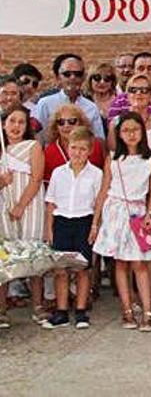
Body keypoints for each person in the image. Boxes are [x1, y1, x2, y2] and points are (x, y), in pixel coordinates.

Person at [107, 74, 151, 312]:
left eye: (145, 90)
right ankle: (132, 300)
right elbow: (115, 158)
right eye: (134, 89)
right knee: (127, 251)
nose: (139, 94)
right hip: (127, 196)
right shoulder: (117, 123)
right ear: (126, 94)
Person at [92, 112, 151, 332]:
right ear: (119, 134)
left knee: (139, 263)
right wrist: (96, 222)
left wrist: (150, 213)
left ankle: (147, 310)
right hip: (115, 211)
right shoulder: (113, 158)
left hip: (138, 211)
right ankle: (127, 309)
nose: (131, 135)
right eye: (126, 131)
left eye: (135, 130)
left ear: (142, 131)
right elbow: (103, 191)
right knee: (120, 263)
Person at [41, 127, 102, 330]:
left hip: (83, 222)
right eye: (74, 148)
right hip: (62, 223)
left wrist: (95, 227)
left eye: (83, 149)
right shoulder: (59, 173)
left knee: (83, 269)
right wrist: (49, 229)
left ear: (90, 151)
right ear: (67, 148)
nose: (77, 153)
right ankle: (61, 311)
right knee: (61, 270)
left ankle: (82, 310)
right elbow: (50, 203)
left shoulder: (95, 174)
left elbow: (97, 205)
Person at [0, 105, 48, 323]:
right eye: (12, 121)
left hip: (30, 205)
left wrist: (21, 205)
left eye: (21, 122)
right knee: (6, 255)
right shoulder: (1, 150)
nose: (16, 126)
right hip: (4, 205)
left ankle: (38, 305)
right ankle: (2, 308)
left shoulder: (33, 146)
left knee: (32, 252)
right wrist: (3, 181)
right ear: (4, 124)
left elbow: (37, 178)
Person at [34, 54, 106, 140]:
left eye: (78, 74)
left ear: (83, 77)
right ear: (58, 77)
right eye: (67, 74)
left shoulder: (91, 107)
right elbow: (37, 137)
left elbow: (99, 139)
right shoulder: (45, 103)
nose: (73, 78)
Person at [84, 62, 116, 131]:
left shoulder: (120, 101)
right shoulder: (84, 101)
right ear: (90, 80)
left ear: (112, 82)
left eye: (107, 78)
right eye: (97, 78)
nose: (102, 82)